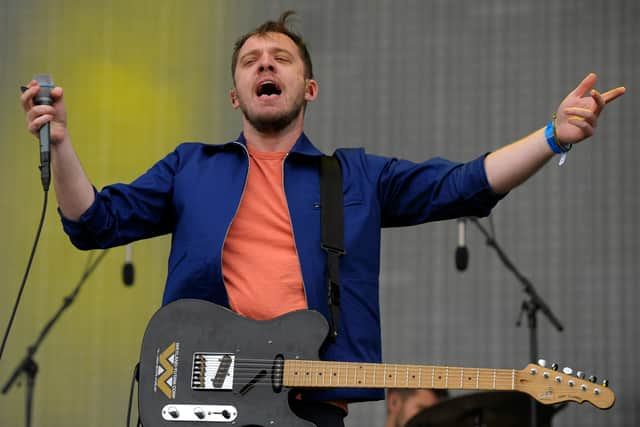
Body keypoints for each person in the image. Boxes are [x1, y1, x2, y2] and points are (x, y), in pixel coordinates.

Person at [20, 10, 625, 427]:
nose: (266, 65)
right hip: (199, 394)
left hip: (308, 406)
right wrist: (62, 142)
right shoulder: (192, 168)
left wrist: (552, 136)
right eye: (252, 59)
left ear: (308, 87)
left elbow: (463, 184)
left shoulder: (355, 178)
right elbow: (93, 222)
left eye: (280, 57)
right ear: (235, 94)